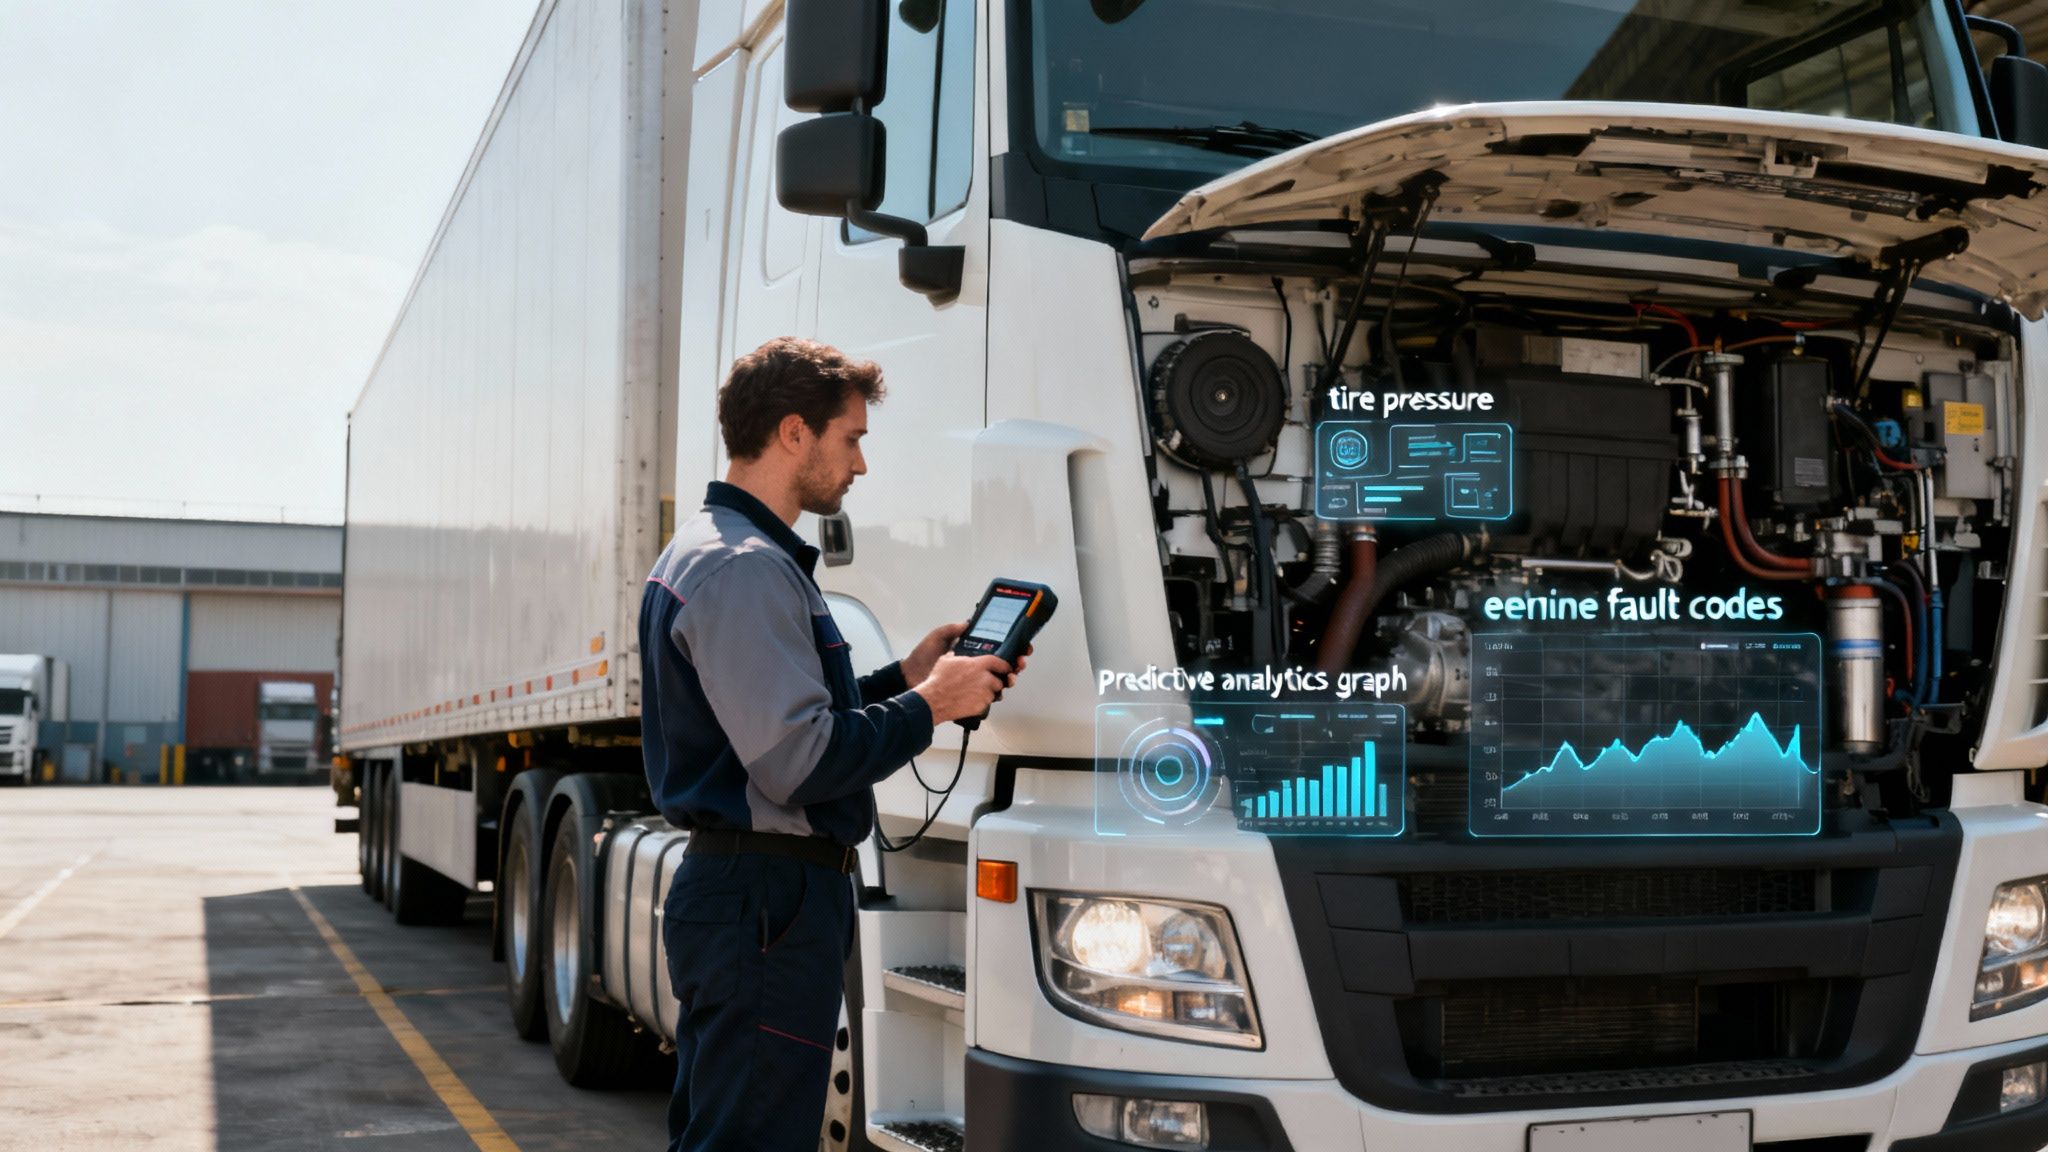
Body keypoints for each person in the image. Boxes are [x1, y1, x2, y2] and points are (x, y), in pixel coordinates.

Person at [640, 336, 1021, 1152]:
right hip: (767, 902)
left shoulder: (723, 550)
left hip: (754, 897)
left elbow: (773, 722)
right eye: (851, 439)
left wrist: (904, 676)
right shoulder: (743, 567)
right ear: (792, 433)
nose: (860, 466)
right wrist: (932, 704)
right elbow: (798, 760)